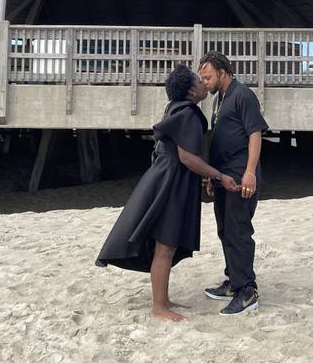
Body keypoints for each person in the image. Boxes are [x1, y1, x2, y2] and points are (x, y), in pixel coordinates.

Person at [95, 64, 240, 321]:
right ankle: (159, 307)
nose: (203, 83)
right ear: (190, 90)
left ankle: (163, 300)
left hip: (167, 178)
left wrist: (207, 175)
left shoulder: (177, 109)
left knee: (166, 243)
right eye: (199, 80)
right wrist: (218, 175)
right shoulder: (187, 113)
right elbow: (187, 158)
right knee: (165, 245)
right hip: (171, 182)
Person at [198, 51, 269, 316]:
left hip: (241, 177)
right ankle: (233, 281)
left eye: (208, 77)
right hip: (223, 178)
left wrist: (250, 172)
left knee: (238, 232)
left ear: (223, 72)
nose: (204, 82)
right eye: (202, 78)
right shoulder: (220, 99)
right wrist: (212, 176)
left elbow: (254, 134)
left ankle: (247, 291)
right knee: (225, 230)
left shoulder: (243, 95)